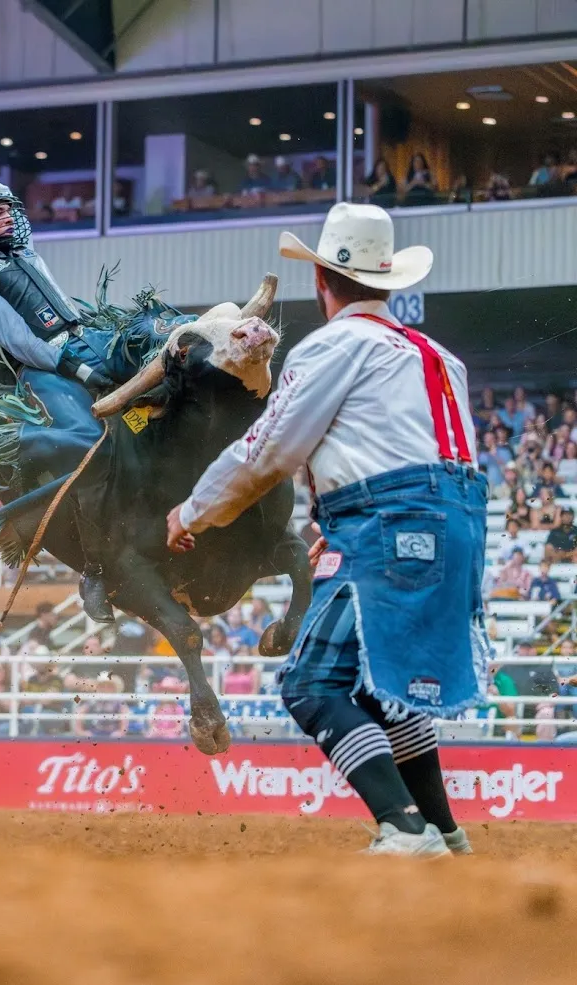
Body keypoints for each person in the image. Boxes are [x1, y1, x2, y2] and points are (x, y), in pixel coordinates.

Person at [166, 202, 486, 857]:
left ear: (322, 281)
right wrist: (346, 525)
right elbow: (422, 455)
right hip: (454, 523)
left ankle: (403, 826)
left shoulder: (337, 345)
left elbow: (269, 452)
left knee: (311, 683)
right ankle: (445, 832)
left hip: (392, 522)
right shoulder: (438, 357)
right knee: (379, 681)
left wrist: (191, 511)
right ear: (389, 279)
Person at [0, 173, 164, 625]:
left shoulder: (20, 252)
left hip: (84, 339)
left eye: (5, 208)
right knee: (88, 448)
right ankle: (95, 571)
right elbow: (20, 341)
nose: (7, 216)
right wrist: (80, 368)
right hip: (44, 368)